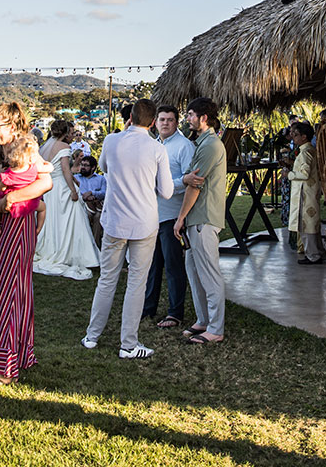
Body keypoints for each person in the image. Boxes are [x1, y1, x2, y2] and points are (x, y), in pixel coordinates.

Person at [84, 98, 172, 358]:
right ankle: (128, 345)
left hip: (114, 221)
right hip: (144, 222)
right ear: (153, 122)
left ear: (130, 117)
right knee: (136, 283)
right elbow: (166, 191)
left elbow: (102, 167)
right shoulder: (157, 149)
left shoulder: (112, 141)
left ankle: (92, 336)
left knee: (107, 279)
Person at [0, 102, 52, 385]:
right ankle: (15, 355)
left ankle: (5, 368)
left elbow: (45, 184)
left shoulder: (26, 148)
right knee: (5, 289)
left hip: (17, 224)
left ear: (12, 124)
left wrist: (9, 200)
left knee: (8, 292)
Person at [175, 96, 227, 345]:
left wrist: (180, 218)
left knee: (209, 274)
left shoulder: (210, 145)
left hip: (203, 216)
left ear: (203, 118)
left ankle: (216, 328)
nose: (188, 118)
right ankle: (203, 320)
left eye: (190, 114)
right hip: (197, 218)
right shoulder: (203, 143)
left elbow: (194, 185)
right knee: (194, 271)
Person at [144, 104, 193, 328]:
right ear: (155, 122)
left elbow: (189, 181)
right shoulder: (153, 146)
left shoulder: (184, 147)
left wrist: (164, 186)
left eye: (170, 120)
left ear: (176, 122)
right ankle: (148, 308)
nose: (165, 123)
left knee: (174, 267)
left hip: (172, 215)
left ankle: (175, 312)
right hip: (152, 215)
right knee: (152, 266)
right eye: (162, 119)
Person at [33, 119, 99, 281]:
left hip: (48, 188)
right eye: (70, 132)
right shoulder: (63, 147)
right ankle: (76, 255)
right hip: (62, 188)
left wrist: (76, 181)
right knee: (72, 220)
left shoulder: (45, 147)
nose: (71, 135)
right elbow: (65, 171)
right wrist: (73, 190)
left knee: (53, 221)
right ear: (64, 133)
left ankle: (51, 249)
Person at [284, 120, 324, 265]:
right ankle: (318, 252)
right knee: (311, 224)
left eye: (296, 135)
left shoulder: (306, 153)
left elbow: (305, 173)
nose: (293, 137)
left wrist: (289, 174)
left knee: (306, 225)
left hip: (305, 193)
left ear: (304, 137)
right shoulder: (308, 151)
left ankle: (313, 254)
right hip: (309, 192)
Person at [75, 154, 108, 246]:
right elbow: (74, 191)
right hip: (81, 205)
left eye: (86, 165)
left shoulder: (101, 179)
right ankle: (83, 244)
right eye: (82, 165)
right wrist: (85, 196)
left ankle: (95, 244)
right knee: (87, 214)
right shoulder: (77, 178)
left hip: (97, 205)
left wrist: (92, 193)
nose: (83, 167)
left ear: (93, 167)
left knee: (98, 217)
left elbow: (104, 193)